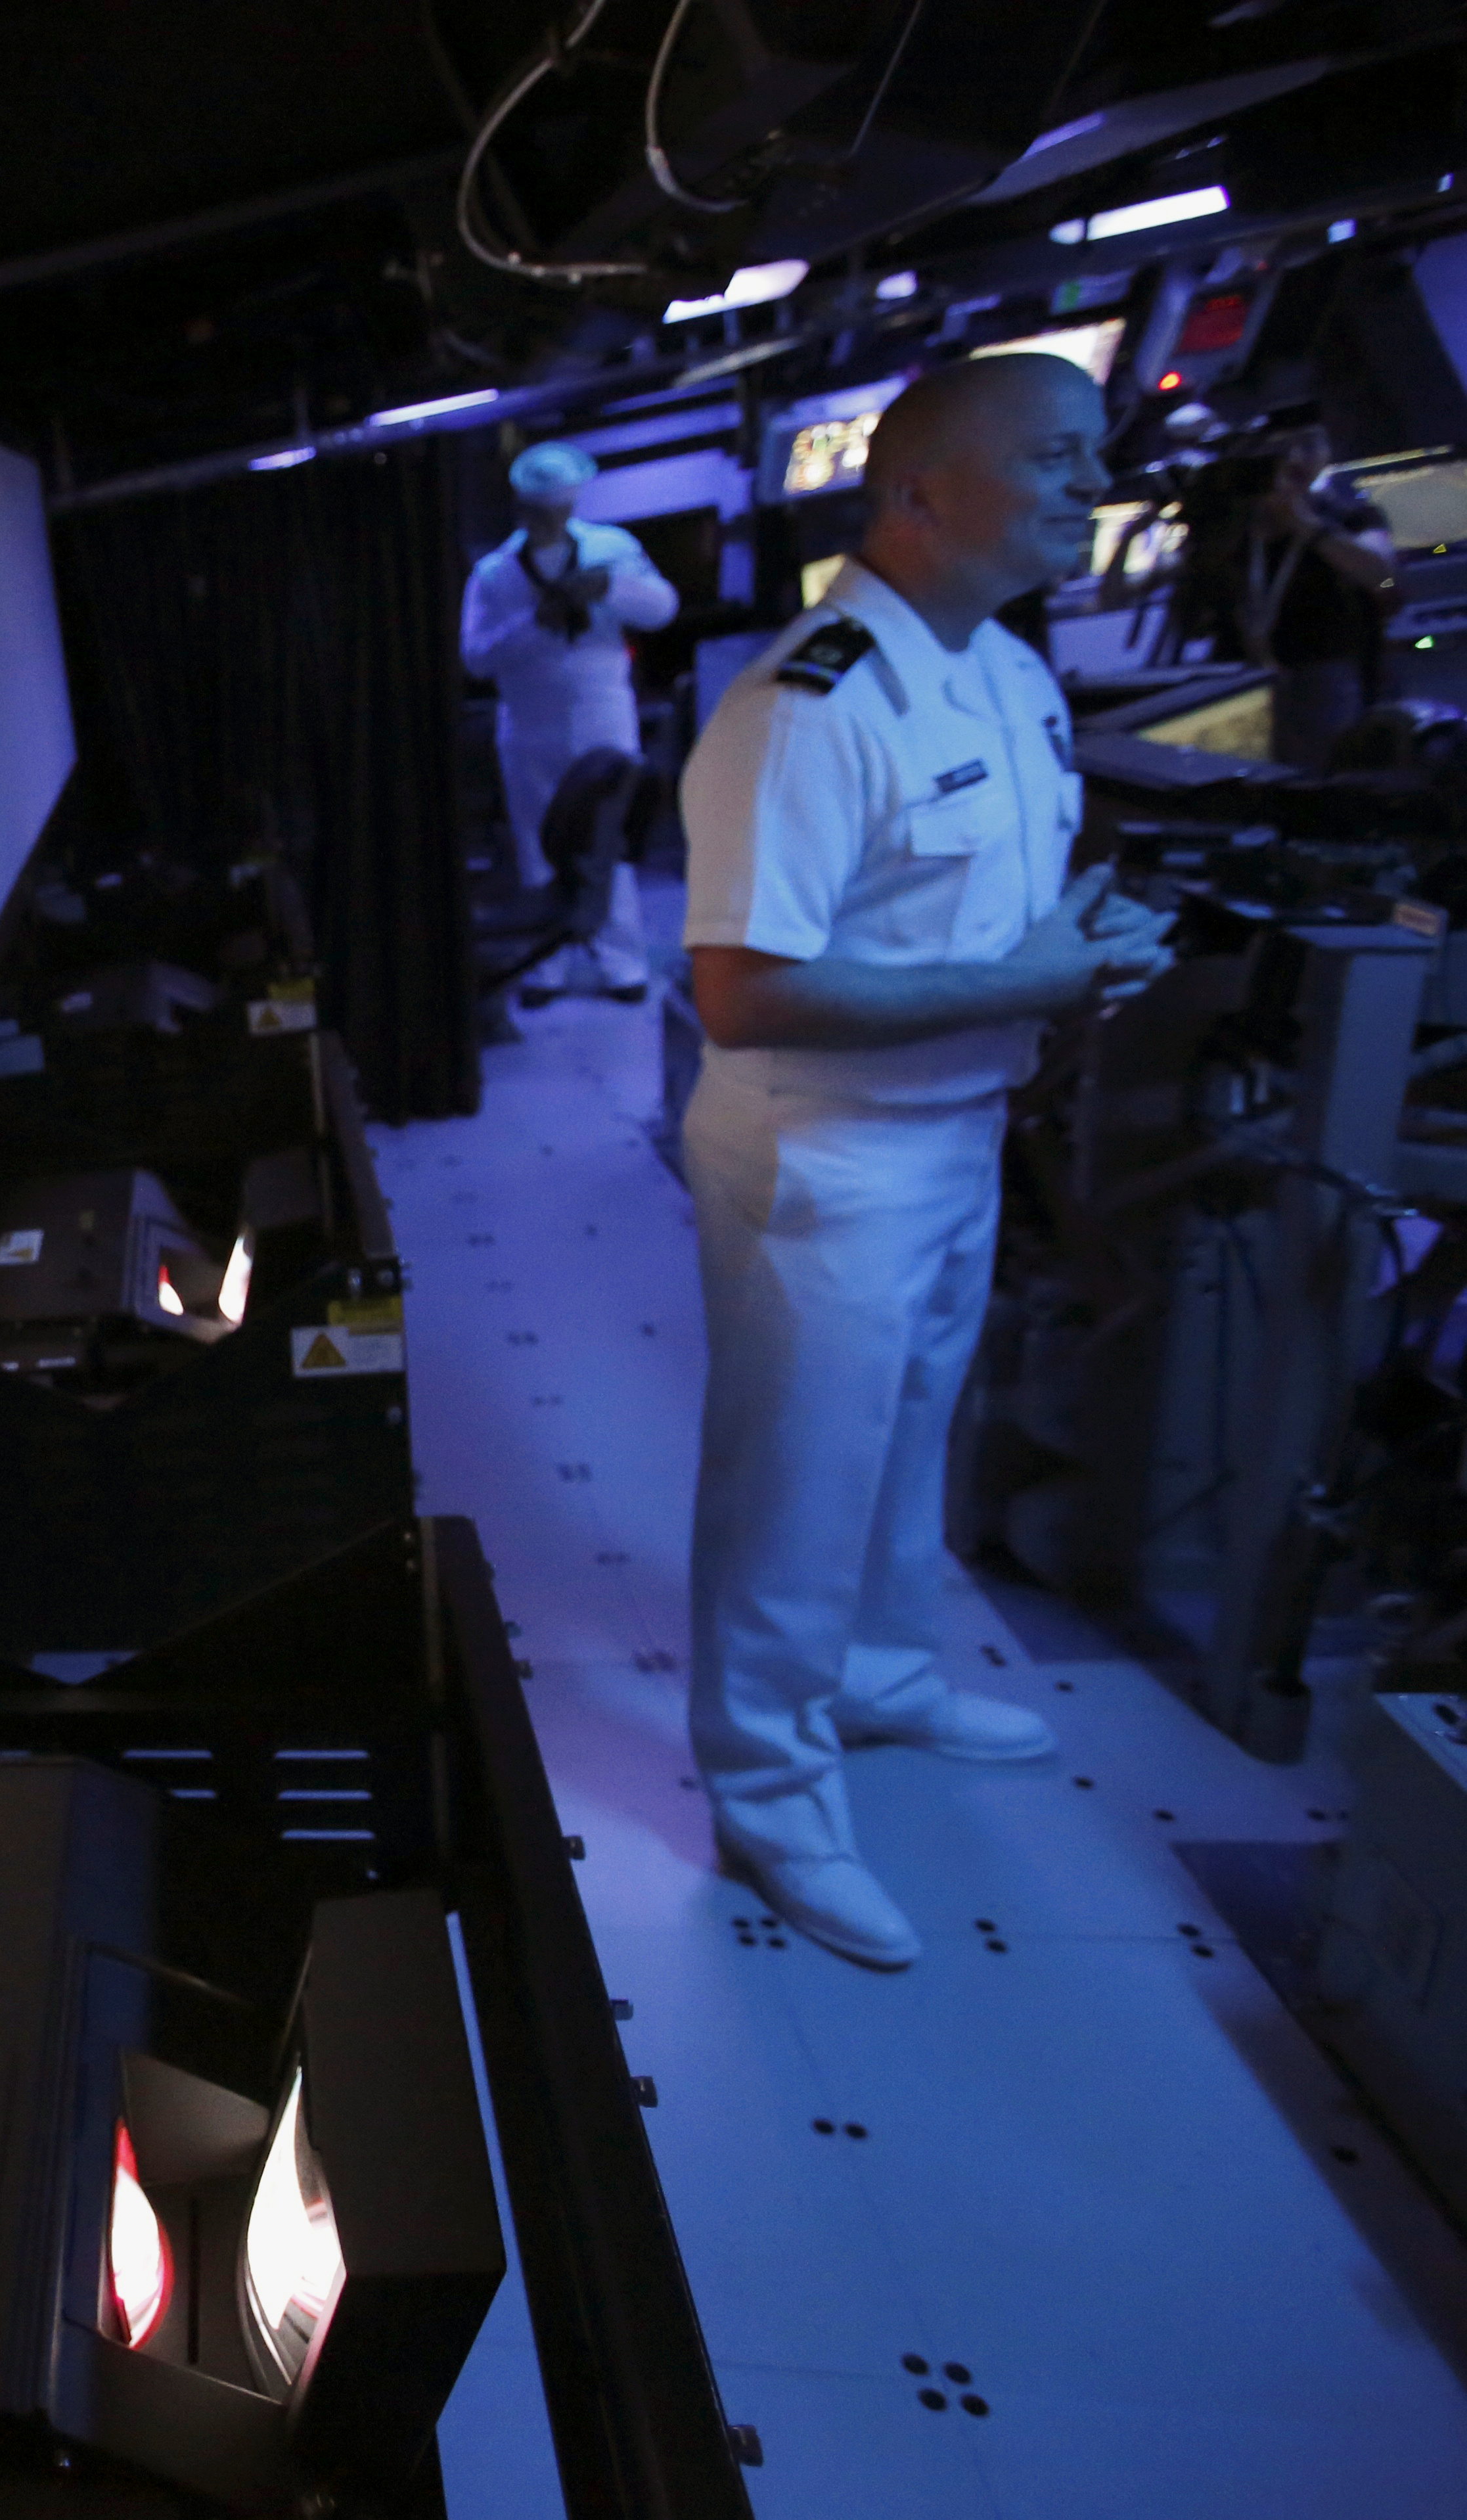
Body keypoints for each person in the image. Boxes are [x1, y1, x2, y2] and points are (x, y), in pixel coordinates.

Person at [677, 354, 1175, 1967]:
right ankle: (766, 1788)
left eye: (1091, 455)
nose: (1089, 485)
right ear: (917, 491)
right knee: (795, 1481)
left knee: (905, 1437)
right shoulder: (803, 705)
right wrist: (1030, 982)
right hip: (826, 1151)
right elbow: (742, 986)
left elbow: (982, 926)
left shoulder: (1007, 674)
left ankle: (881, 1672)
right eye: (1052, 456)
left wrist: (1082, 947)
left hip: (952, 1130)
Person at [461, 440, 681, 1001]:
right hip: (528, 724)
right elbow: (477, 656)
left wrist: (609, 587)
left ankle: (621, 962)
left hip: (603, 712)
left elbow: (662, 609)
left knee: (607, 836)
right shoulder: (494, 574)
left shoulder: (612, 549)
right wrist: (537, 623)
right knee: (537, 843)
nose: (553, 517)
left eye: (562, 505)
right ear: (522, 507)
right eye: (542, 508)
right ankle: (546, 967)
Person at [1242, 424, 1398, 771]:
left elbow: (1383, 574)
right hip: (1243, 681)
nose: (1296, 457)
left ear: (1328, 452)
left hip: (1329, 672)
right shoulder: (1241, 528)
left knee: (1327, 775)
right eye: (1282, 447)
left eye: (1310, 444)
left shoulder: (1349, 514)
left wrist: (1303, 523)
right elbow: (1122, 596)